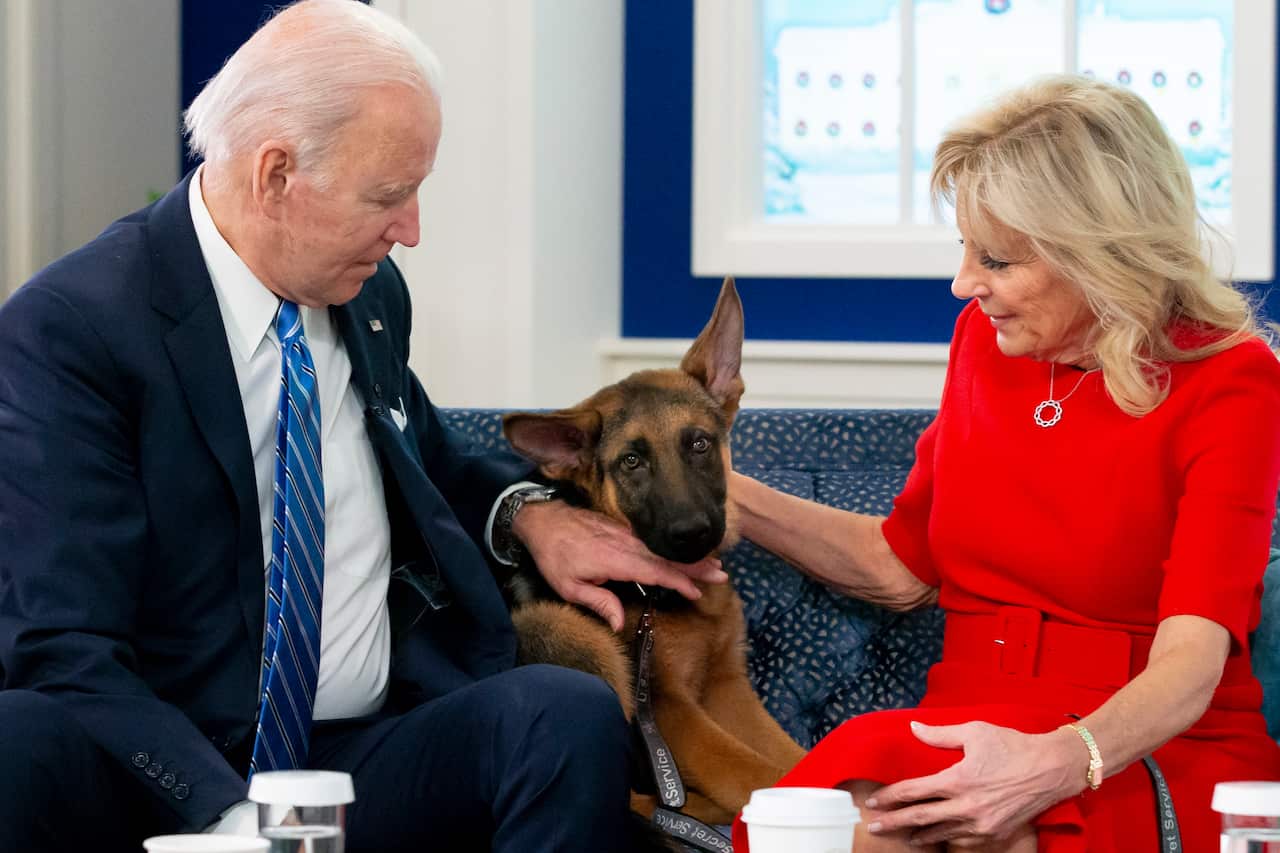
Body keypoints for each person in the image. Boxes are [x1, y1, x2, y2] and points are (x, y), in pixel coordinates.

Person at [0, 2, 725, 851]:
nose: (411, 228)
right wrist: (242, 823)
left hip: (357, 756)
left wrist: (533, 515)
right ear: (275, 175)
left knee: (559, 711)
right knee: (19, 737)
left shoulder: (365, 293)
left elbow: (424, 451)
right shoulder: (73, 330)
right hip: (168, 767)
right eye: (389, 194)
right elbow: (60, 642)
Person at [729, 75, 1280, 853]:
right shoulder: (982, 344)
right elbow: (902, 563)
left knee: (967, 835)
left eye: (995, 258)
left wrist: (1059, 760)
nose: (964, 284)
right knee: (819, 824)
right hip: (965, 718)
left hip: (1137, 744)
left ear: (1098, 251)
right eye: (963, 248)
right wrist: (720, 493)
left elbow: (1192, 660)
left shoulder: (1232, 378)